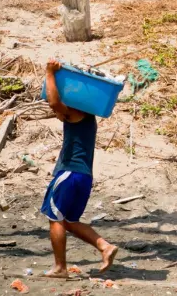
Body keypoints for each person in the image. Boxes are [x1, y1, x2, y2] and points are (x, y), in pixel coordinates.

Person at [41, 59, 117, 277]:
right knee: (70, 222)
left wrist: (49, 73)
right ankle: (105, 247)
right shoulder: (88, 118)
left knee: (54, 218)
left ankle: (60, 268)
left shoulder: (76, 113)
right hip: (83, 176)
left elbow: (54, 104)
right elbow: (57, 108)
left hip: (69, 173)